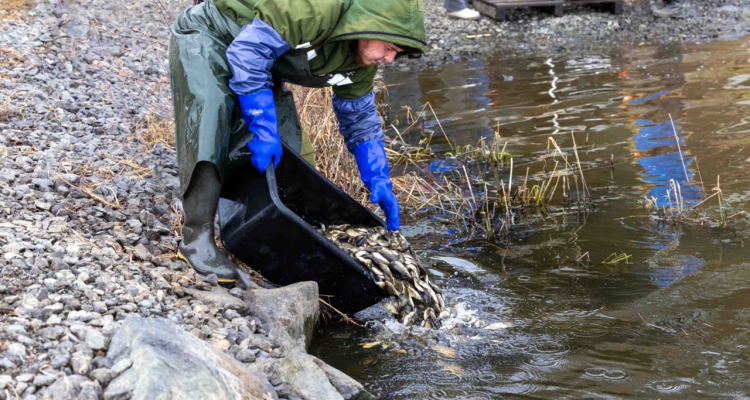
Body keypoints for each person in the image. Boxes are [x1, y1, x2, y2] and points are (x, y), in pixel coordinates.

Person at [168, 0, 425, 284]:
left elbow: (359, 118)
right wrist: (263, 126)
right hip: (210, 35)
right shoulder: (315, 8)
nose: (389, 59)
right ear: (372, 23)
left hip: (260, 63)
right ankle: (196, 241)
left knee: (292, 150)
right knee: (211, 121)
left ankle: (270, 246)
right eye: (390, 48)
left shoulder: (360, 59)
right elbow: (249, 53)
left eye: (396, 54)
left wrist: (378, 178)